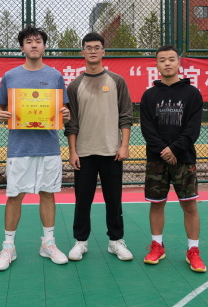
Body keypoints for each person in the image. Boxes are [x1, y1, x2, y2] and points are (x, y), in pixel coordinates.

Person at [0, 25, 71, 271]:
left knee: (48, 194)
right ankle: (8, 247)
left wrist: (66, 114)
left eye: (38, 41)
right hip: (19, 147)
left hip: (48, 147)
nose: (34, 45)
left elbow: (64, 109)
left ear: (44, 46)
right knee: (15, 196)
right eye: (29, 41)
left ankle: (48, 244)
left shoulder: (55, 76)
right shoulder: (11, 76)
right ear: (22, 47)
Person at [64, 32, 134, 261]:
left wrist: (124, 145)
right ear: (82, 52)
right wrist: (73, 151)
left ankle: (115, 241)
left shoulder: (117, 81)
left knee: (114, 200)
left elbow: (126, 115)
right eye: (88, 47)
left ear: (103, 51)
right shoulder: (75, 85)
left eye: (97, 47)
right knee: (82, 200)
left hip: (112, 151)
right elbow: (71, 123)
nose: (93, 51)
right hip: (84, 153)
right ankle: (80, 241)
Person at [140, 45, 206, 273]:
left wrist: (175, 149)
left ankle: (193, 251)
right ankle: (157, 246)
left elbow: (193, 129)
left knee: (189, 205)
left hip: (183, 159)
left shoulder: (192, 94)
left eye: (171, 59)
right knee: (157, 203)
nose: (167, 63)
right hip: (156, 159)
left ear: (179, 63)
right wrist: (163, 150)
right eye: (162, 60)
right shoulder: (149, 95)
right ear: (156, 65)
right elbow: (147, 130)